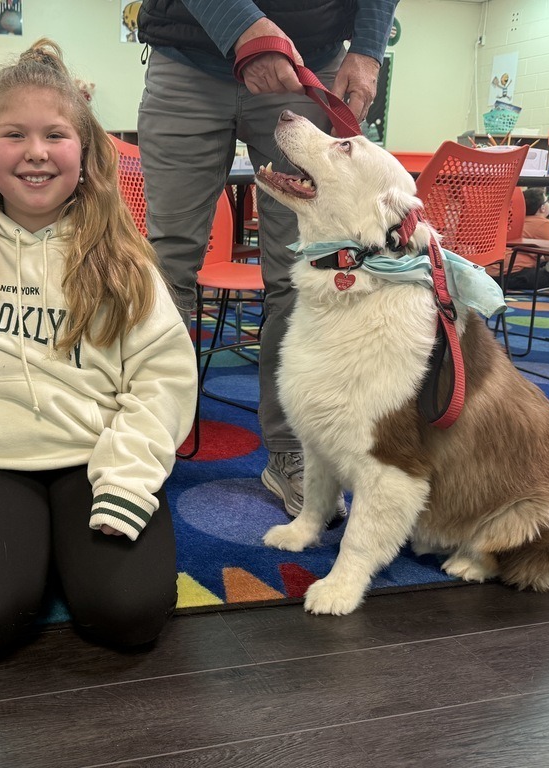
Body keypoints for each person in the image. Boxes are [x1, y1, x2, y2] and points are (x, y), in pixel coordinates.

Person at [0, 39, 197, 658]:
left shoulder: (123, 260)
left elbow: (163, 379)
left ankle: (58, 551)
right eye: (14, 134)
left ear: (85, 150)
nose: (36, 152)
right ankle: (34, 552)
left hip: (95, 455)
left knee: (128, 616)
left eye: (55, 134)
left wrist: (129, 478)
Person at [136, 0, 397, 518]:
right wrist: (243, 28)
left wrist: (369, 50)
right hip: (186, 56)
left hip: (307, 62)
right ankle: (142, 439)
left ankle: (293, 450)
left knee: (306, 272)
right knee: (165, 270)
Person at [487, 187, 549, 291]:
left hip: (491, 273)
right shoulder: (544, 224)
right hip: (512, 274)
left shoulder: (510, 221)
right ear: (542, 208)